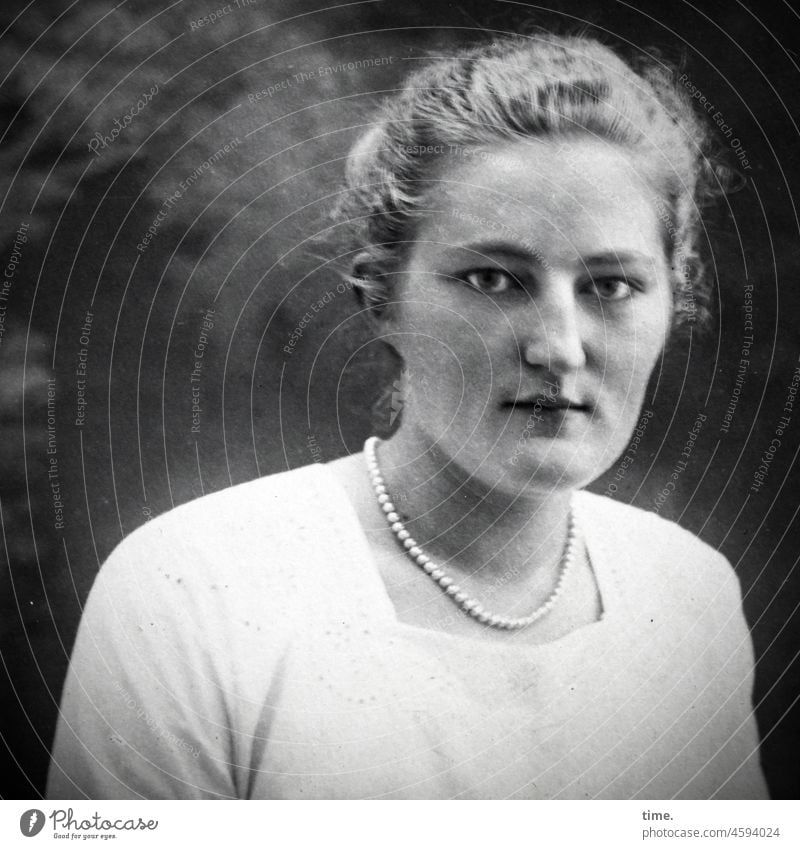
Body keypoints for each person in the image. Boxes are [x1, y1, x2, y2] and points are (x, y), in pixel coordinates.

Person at [47, 32, 768, 799]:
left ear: (672, 300)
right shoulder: (193, 590)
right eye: (493, 278)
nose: (558, 346)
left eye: (612, 285)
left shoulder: (689, 593)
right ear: (382, 300)